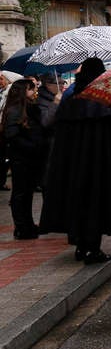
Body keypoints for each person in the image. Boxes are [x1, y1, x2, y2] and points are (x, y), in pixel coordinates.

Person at [40, 58, 111, 264]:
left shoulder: (70, 101)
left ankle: (81, 246)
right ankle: (92, 249)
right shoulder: (105, 103)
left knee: (77, 201)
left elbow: (58, 135)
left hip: (72, 167)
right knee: (97, 202)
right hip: (100, 168)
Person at [1, 79, 43, 239]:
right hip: (20, 159)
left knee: (27, 193)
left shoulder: (28, 108)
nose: (34, 92)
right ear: (23, 91)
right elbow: (12, 136)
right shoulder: (14, 110)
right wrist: (32, 145)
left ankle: (28, 224)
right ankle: (21, 227)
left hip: (29, 158)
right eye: (31, 90)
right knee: (20, 193)